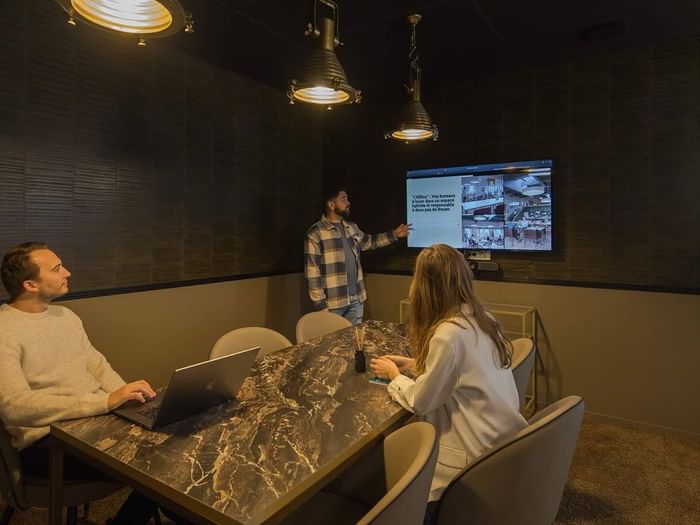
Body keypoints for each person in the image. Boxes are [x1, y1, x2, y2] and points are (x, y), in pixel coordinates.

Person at [0, 242, 186, 524]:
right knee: (160, 463)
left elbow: (98, 367)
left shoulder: (66, 316)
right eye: (57, 269)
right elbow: (14, 407)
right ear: (30, 284)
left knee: (173, 440)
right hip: (47, 441)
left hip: (95, 421)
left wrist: (129, 399)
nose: (68, 272)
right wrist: (105, 401)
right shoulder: (5, 329)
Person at [370, 244, 526, 516]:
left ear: (425, 286)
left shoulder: (448, 335)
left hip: (470, 458)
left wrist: (394, 375)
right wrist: (413, 364)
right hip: (499, 441)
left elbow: (422, 402)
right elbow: (463, 373)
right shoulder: (482, 319)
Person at [305, 187, 411, 325]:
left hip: (356, 299)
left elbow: (370, 242)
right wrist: (320, 305)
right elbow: (312, 272)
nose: (348, 203)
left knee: (354, 337)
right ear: (331, 205)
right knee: (332, 338)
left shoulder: (351, 227)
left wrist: (395, 234)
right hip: (333, 303)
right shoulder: (316, 233)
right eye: (343, 199)